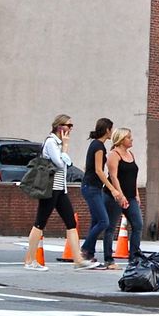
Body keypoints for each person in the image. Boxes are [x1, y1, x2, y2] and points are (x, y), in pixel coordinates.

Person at [24, 114, 102, 271]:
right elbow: (60, 164)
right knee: (40, 223)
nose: (71, 128)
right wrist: (65, 147)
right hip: (50, 189)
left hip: (60, 189)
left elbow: (65, 165)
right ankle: (29, 260)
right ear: (60, 127)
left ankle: (78, 260)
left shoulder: (58, 143)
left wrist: (64, 148)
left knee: (71, 224)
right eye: (69, 125)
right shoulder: (52, 142)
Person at [80, 118, 123, 270]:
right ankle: (84, 249)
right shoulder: (99, 146)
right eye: (111, 129)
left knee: (96, 220)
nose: (112, 132)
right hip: (91, 187)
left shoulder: (95, 145)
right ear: (107, 130)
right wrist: (111, 188)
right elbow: (99, 170)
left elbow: (88, 167)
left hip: (92, 187)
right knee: (104, 221)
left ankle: (89, 254)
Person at [105, 128, 142, 259]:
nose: (131, 139)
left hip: (131, 196)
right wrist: (120, 196)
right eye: (128, 137)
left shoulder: (131, 154)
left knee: (138, 225)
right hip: (114, 197)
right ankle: (108, 258)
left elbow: (134, 176)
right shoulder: (113, 155)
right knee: (110, 227)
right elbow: (113, 177)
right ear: (120, 140)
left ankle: (134, 257)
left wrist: (136, 193)